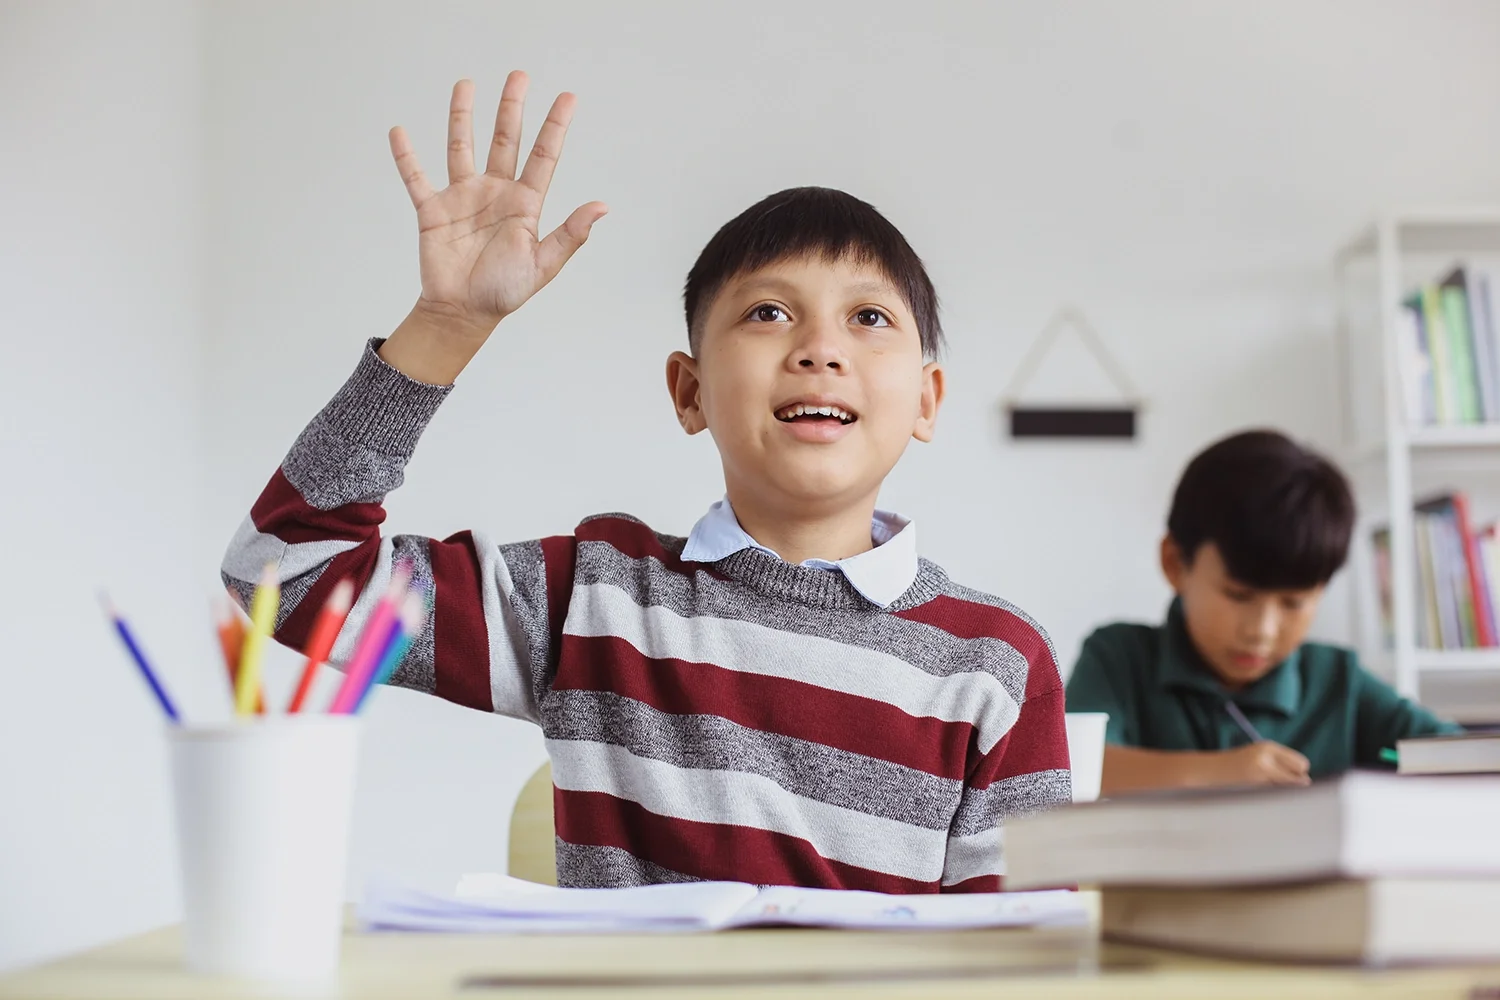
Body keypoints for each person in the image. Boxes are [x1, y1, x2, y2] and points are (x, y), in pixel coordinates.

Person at [222, 73, 1070, 892]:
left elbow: (1018, 950)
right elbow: (287, 575)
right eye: (768, 313)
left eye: (869, 318)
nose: (820, 348)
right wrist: (445, 327)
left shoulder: (998, 664)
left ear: (926, 399)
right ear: (689, 390)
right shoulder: (593, 597)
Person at [1066, 429, 1462, 795]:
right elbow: (1066, 772)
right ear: (1174, 563)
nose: (1262, 630)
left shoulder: (1338, 682)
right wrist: (1220, 772)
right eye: (1238, 595)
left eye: (1293, 603)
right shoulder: (1118, 658)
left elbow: (1461, 758)